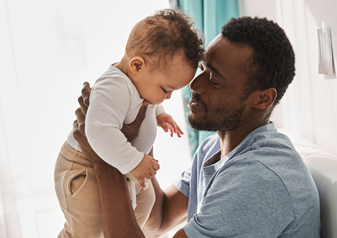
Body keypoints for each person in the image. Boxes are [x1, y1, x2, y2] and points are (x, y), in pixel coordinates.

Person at [73, 16, 321, 237]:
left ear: (262, 98)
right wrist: (132, 131)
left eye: (214, 78)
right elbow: (159, 218)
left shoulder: (259, 178)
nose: (195, 85)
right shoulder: (214, 148)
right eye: (202, 69)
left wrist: (104, 158)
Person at [54, 9, 204, 238]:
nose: (168, 97)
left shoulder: (139, 82)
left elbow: (144, 103)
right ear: (136, 66)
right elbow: (96, 131)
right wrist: (134, 161)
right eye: (166, 90)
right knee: (88, 228)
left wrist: (158, 113)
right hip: (83, 166)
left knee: (146, 202)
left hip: (119, 164)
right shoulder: (114, 86)